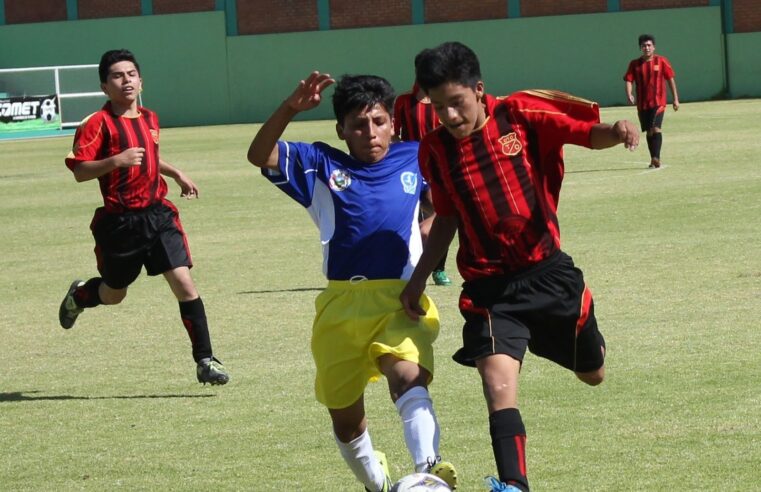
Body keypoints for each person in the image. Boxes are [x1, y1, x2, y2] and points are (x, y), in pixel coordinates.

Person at [399, 42, 640, 491]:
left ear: (479, 89)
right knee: (497, 387)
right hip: (489, 290)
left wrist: (618, 129)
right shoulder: (433, 149)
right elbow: (447, 216)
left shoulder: (518, 115)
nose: (450, 116)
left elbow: (584, 133)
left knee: (594, 374)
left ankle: (574, 329)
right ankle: (514, 484)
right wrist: (417, 281)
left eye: (458, 103)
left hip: (549, 276)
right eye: (439, 107)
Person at [246, 72, 457, 491]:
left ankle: (428, 470)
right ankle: (378, 484)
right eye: (358, 125)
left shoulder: (418, 157)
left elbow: (444, 209)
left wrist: (425, 237)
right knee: (346, 419)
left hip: (400, 298)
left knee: (407, 378)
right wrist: (290, 107)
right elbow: (260, 154)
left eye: (379, 121)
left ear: (393, 122)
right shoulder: (321, 163)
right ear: (340, 129)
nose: (371, 133)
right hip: (341, 304)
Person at [58, 49, 229, 386]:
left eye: (131, 74)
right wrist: (115, 160)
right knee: (113, 294)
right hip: (120, 224)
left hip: (158, 215)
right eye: (118, 76)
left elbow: (150, 155)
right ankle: (80, 296)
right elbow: (79, 171)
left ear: (141, 80)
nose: (126, 81)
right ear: (105, 87)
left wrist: (176, 173)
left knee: (184, 284)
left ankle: (205, 360)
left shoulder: (150, 118)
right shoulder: (97, 123)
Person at [393, 66, 452, 287]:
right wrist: (405, 152)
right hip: (408, 165)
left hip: (435, 165)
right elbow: (394, 132)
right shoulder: (403, 102)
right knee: (410, 215)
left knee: (440, 213)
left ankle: (439, 269)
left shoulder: (441, 103)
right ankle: (412, 266)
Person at [624, 33, 679, 168]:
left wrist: (675, 99)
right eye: (644, 46)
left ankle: (656, 158)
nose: (646, 48)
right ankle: (653, 158)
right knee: (649, 131)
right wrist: (629, 94)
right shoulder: (635, 64)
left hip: (659, 102)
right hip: (643, 104)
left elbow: (670, 79)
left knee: (656, 128)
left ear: (654, 47)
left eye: (649, 45)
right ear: (640, 48)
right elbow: (629, 80)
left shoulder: (662, 61)